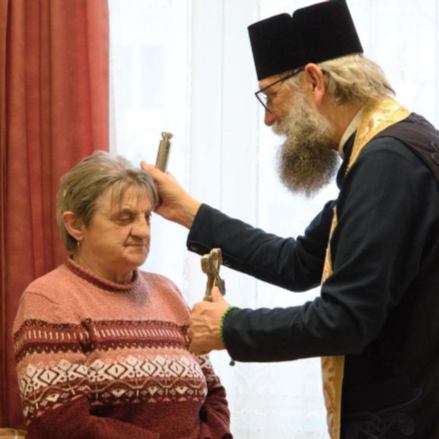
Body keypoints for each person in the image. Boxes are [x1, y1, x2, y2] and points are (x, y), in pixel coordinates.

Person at [141, 1, 439, 439]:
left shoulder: (388, 162)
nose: (268, 119)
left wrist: (228, 326)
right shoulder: (388, 145)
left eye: (271, 96)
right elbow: (299, 261)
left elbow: (345, 320)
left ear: (314, 80)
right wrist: (187, 211)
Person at [13, 152, 232, 439]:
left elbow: (213, 395)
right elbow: (60, 424)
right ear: (76, 225)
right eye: (124, 218)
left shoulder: (168, 292)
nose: (143, 231)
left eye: (146, 217)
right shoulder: (49, 299)